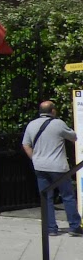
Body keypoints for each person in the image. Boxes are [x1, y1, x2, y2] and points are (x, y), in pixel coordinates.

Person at [23, 100, 83, 237]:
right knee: (67, 196)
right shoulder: (58, 124)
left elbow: (26, 145)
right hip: (58, 167)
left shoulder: (31, 125)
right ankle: (74, 226)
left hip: (40, 167)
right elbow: (73, 137)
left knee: (46, 198)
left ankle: (51, 228)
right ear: (53, 111)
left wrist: (35, 159)